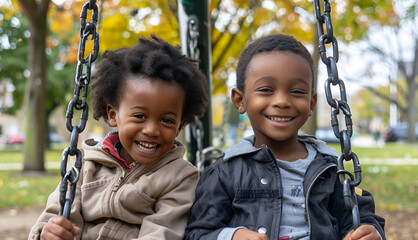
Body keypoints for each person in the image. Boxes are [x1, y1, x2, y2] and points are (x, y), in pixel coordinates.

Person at [184, 34, 385, 240]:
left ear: (311, 103)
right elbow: (198, 232)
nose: (282, 101)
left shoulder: (330, 168)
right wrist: (232, 236)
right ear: (240, 100)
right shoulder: (225, 173)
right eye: (266, 90)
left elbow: (358, 218)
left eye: (297, 91)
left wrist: (370, 232)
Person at [28, 35, 208, 240]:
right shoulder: (86, 164)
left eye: (166, 120)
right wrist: (46, 234)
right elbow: (56, 216)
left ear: (179, 127)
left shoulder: (180, 177)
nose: (151, 130)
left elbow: (162, 233)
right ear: (113, 116)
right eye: (140, 116)